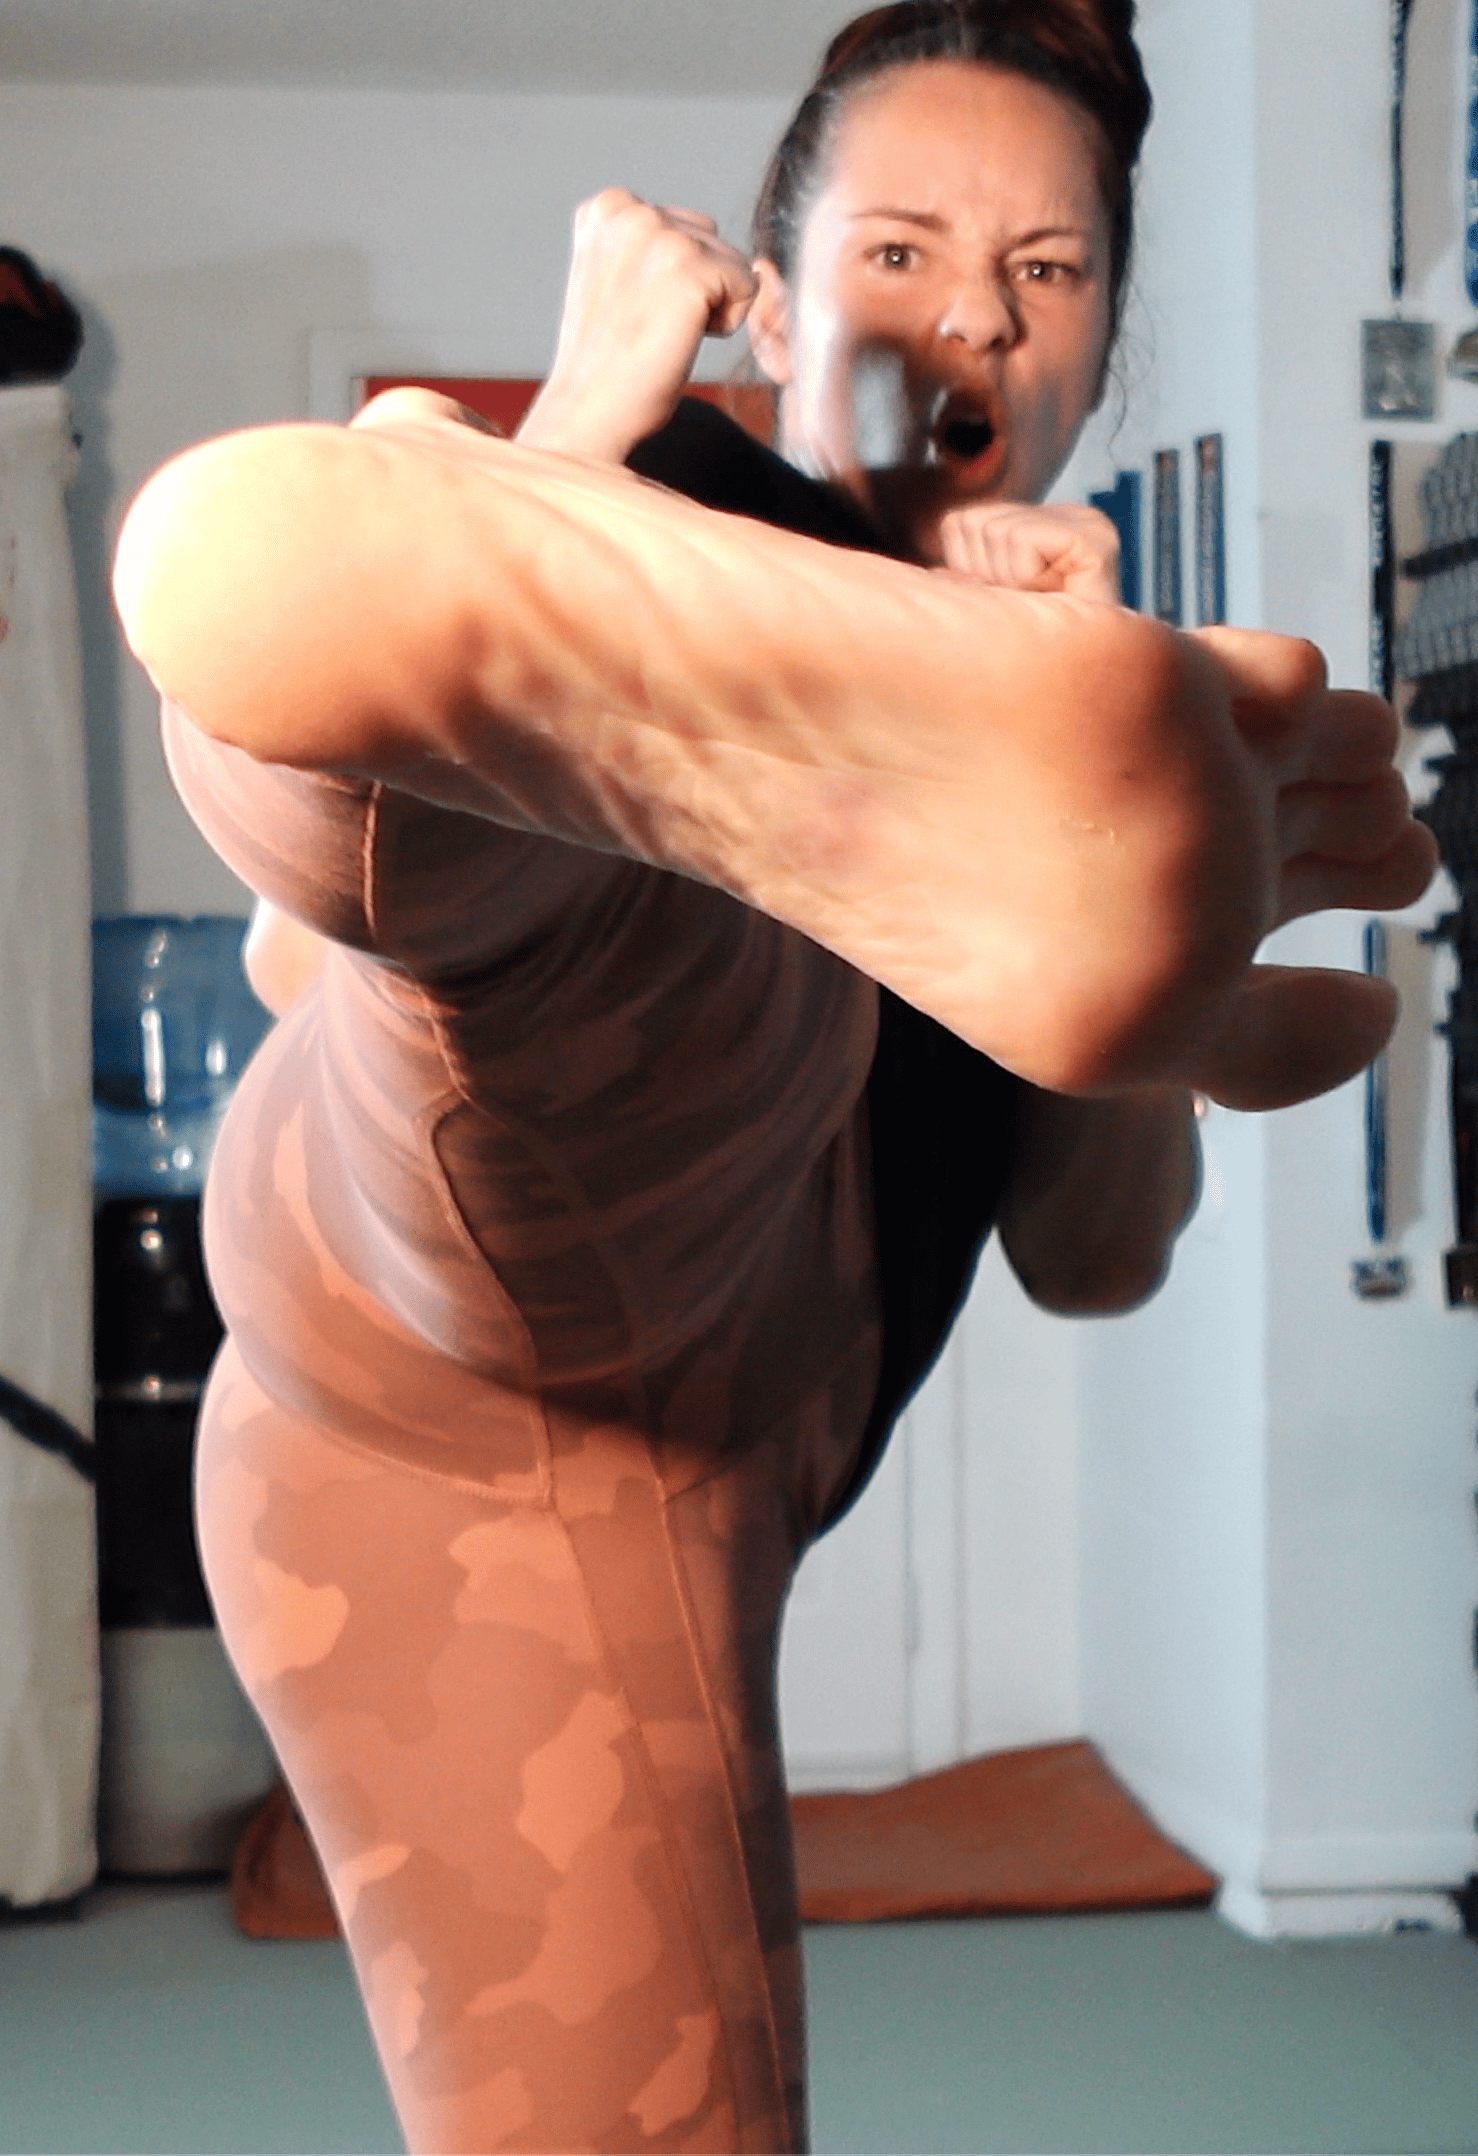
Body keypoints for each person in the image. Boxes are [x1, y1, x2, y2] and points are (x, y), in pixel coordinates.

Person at [111, 4, 1435, 2149]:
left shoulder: (1106, 707)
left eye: (1046, 269)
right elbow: (295, 964)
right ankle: (411, 647)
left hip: (662, 1419)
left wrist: (1151, 970)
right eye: (901, 252)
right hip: (496, 1336)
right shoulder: (681, 494)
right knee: (638, 971)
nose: (976, 319)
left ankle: (387, 659)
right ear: (773, 290)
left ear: (1104, 340)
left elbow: (1095, 1257)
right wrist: (577, 433)